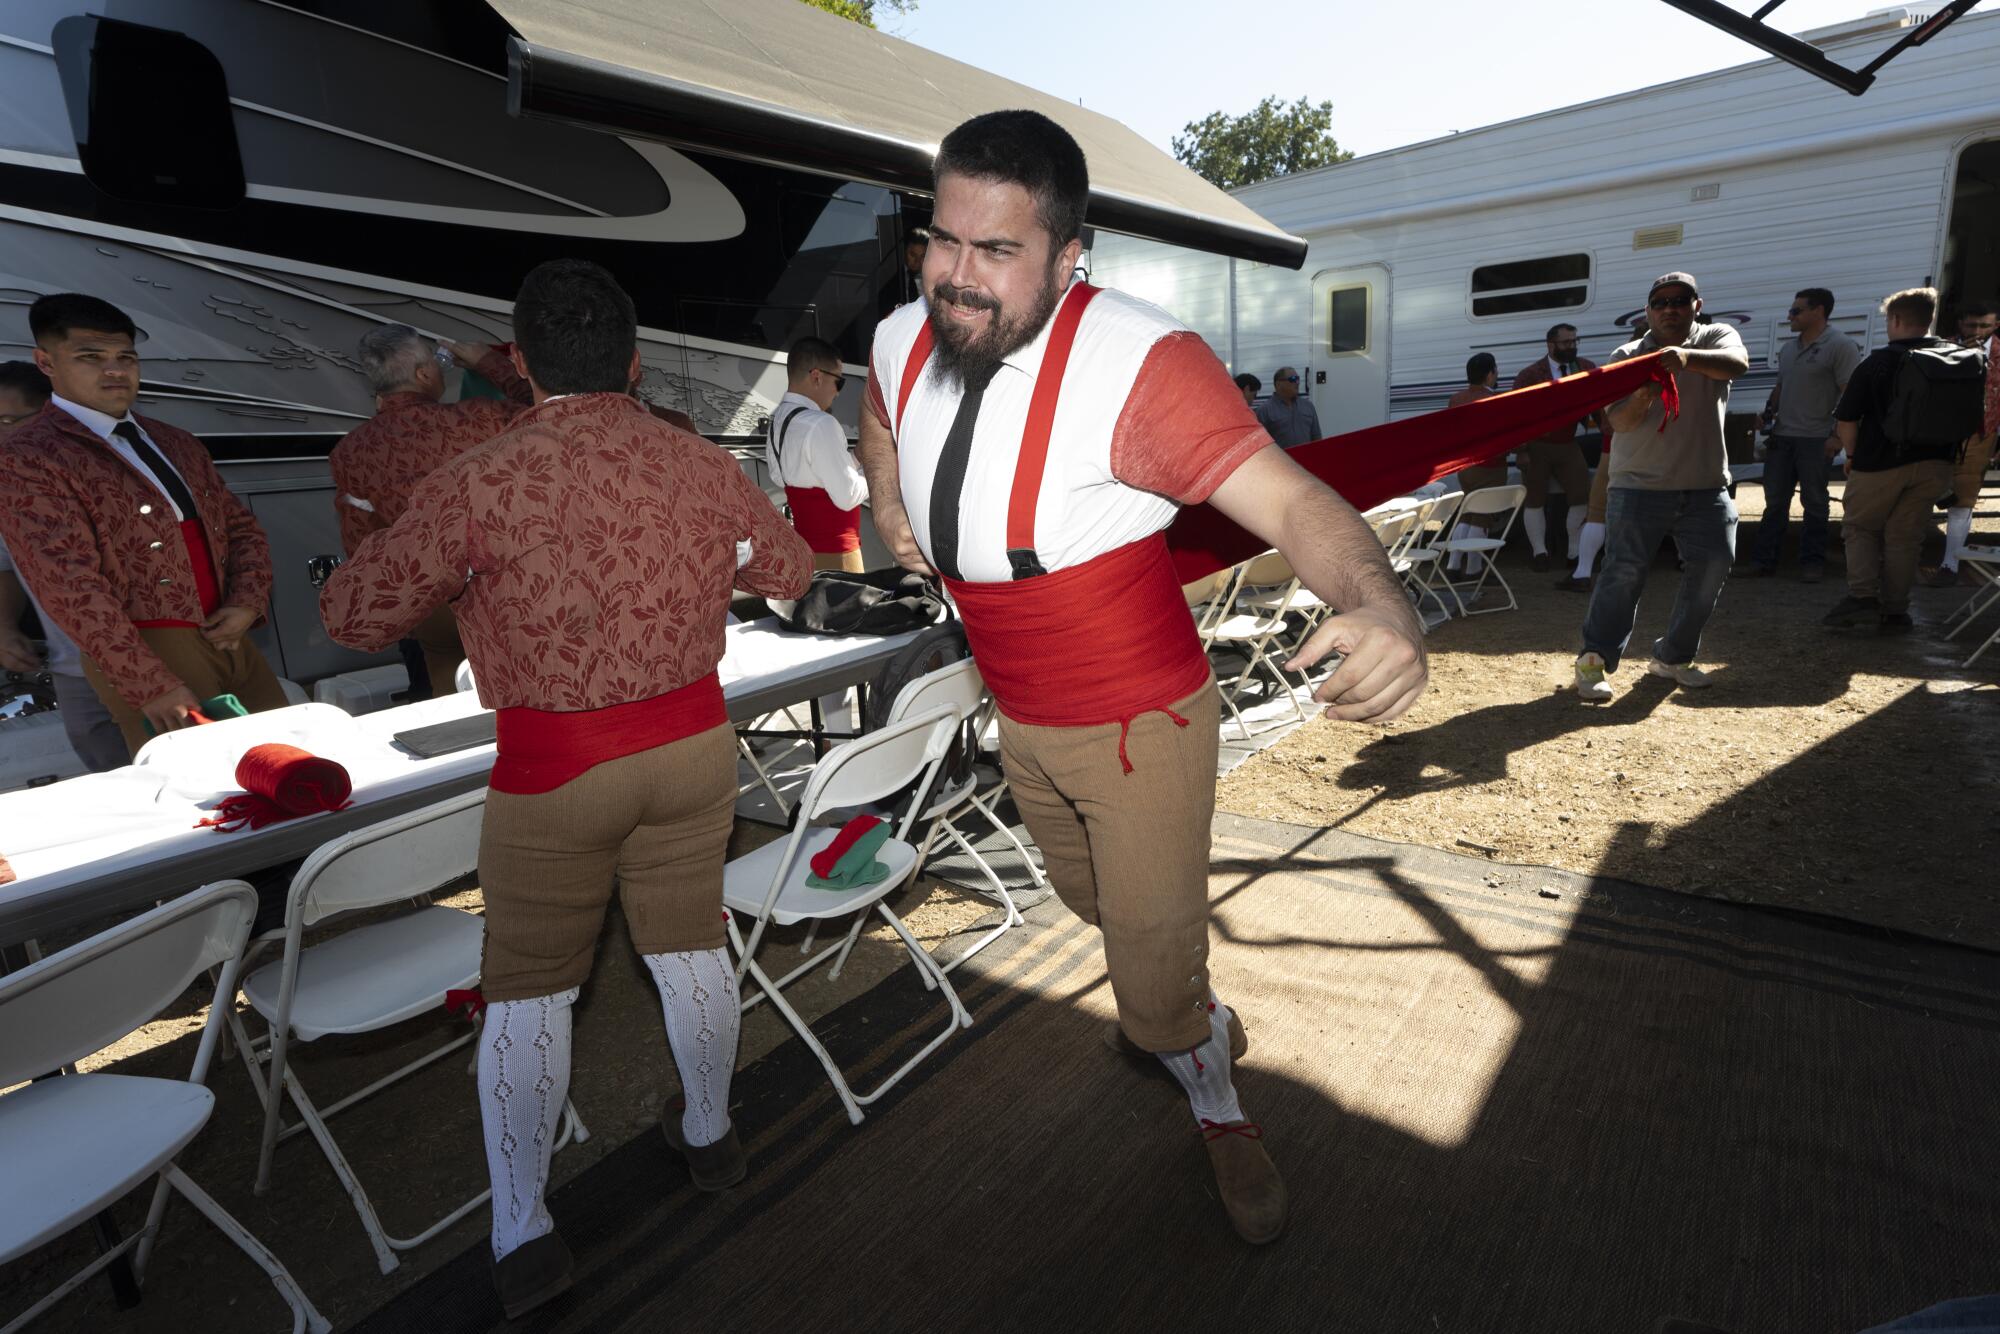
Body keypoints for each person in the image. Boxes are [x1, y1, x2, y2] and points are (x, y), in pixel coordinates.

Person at [857, 110, 1427, 1245]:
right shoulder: (895, 335)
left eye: (998, 251)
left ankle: (1216, 1107)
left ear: (1071, 258)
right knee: (1100, 913)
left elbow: (1294, 501)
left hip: (1139, 724)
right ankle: (1193, 1013)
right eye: (943, 239)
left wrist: (1380, 603)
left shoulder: (1140, 363)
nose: (957, 280)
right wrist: (888, 498)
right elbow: (879, 413)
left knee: (1149, 986)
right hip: (1017, 716)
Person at [321, 259, 811, 1318]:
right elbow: (790, 570)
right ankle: (711, 1131)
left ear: (525, 366)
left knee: (530, 991)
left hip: (556, 770)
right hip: (691, 746)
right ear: (632, 361)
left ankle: (523, 1227)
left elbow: (353, 615)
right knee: (689, 948)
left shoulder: (481, 475)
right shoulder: (696, 462)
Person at [0, 294, 285, 754]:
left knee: (294, 760)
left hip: (231, 636)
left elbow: (241, 529)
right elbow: (69, 583)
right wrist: (148, 682)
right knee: (213, 792)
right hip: (150, 647)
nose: (115, 370)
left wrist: (247, 603)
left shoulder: (175, 441)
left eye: (125, 357)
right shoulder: (28, 457)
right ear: (45, 363)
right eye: (90, 357)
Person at [328, 326, 535, 696]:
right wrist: (488, 362)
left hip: (428, 600)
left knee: (449, 694)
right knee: (522, 685)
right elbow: (547, 409)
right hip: (499, 591)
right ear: (424, 375)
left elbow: (360, 539)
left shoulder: (351, 451)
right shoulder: (482, 419)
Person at [1573, 273, 1748, 702]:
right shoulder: (1627, 355)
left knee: (1712, 568)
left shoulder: (1715, 337)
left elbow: (1738, 364)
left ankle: (1673, 656)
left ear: (1697, 304)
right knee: (1622, 575)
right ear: (1648, 311)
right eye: (1660, 302)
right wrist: (1645, 392)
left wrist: (1684, 359)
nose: (1670, 308)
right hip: (1637, 488)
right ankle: (1593, 661)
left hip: (1706, 488)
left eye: (1680, 300)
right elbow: (1620, 422)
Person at [1822, 287, 1987, 634]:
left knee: (1860, 528)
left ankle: (1863, 598)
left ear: (1896, 319)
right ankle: (1896, 611)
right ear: (1929, 320)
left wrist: (1851, 455)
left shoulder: (1879, 362)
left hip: (1880, 462)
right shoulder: (1958, 358)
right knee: (1905, 537)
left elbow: (1847, 418)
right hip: (1937, 463)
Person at [0, 361, 125, 770]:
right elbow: (7, 562)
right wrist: (4, 626)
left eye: (6, 420)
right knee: (108, 774)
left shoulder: (98, 471)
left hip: (135, 658)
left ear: (50, 411)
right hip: (72, 667)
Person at [1744, 288, 1861, 582]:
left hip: (1815, 439)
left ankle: (1812, 563)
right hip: (1783, 438)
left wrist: (1836, 437)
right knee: (1775, 504)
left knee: (1815, 504)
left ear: (1818, 311)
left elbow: (1851, 395)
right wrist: (1767, 415)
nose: (1789, 316)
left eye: (1796, 311)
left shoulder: (1840, 346)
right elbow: (1781, 388)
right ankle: (1763, 562)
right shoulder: (1789, 348)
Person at [769, 336, 869, 573]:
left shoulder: (778, 420)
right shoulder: (821, 424)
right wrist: (880, 470)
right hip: (839, 555)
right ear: (816, 377)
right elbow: (847, 495)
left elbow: (781, 476)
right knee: (852, 610)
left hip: (804, 553)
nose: (837, 393)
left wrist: (855, 458)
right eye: (839, 382)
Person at [1511, 323, 1604, 572]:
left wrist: (1609, 434)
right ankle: (1539, 552)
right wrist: (1520, 450)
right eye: (1566, 342)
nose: (1572, 346)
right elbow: (1516, 415)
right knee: (1534, 500)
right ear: (1550, 345)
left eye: (1575, 341)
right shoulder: (1529, 375)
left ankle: (1574, 551)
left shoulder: (1584, 367)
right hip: (1536, 445)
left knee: (1581, 496)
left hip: (1567, 442)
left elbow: (1598, 403)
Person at [1930, 297, 1998, 586]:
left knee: (1963, 502)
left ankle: (1950, 565)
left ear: (1996, 325)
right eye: (1972, 325)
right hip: (1939, 434)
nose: (1978, 331)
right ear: (1961, 324)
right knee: (1922, 493)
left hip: (1981, 434)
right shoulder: (1942, 348)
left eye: (1985, 325)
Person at [1255, 364, 1323, 447]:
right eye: (1293, 379)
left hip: (1306, 458)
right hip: (1281, 459)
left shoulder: (1308, 406)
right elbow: (1259, 444)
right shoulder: (1264, 411)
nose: (1297, 383)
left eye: (1298, 379)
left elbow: (1317, 437)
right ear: (1278, 384)